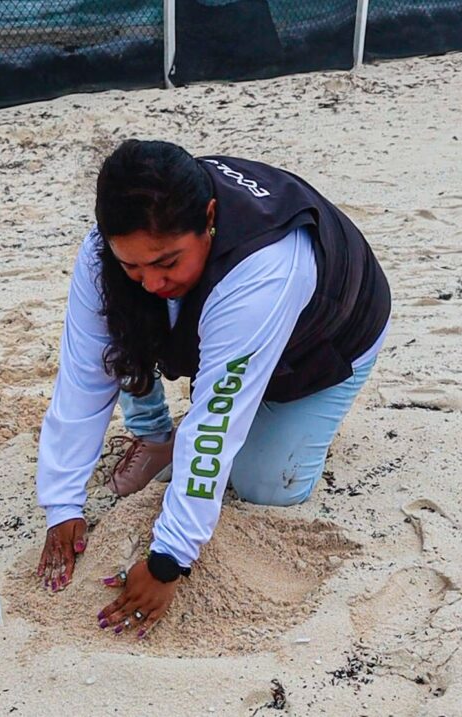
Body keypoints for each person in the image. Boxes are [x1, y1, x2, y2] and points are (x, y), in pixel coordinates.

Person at [35, 139, 391, 638]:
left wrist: (169, 560)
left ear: (209, 217)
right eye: (132, 266)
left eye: (166, 263)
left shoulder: (264, 266)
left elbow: (217, 424)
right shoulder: (105, 253)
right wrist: (62, 502)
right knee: (126, 321)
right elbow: (84, 373)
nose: (152, 282)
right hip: (223, 330)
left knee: (267, 485)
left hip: (325, 344)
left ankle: (285, 422)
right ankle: (159, 438)